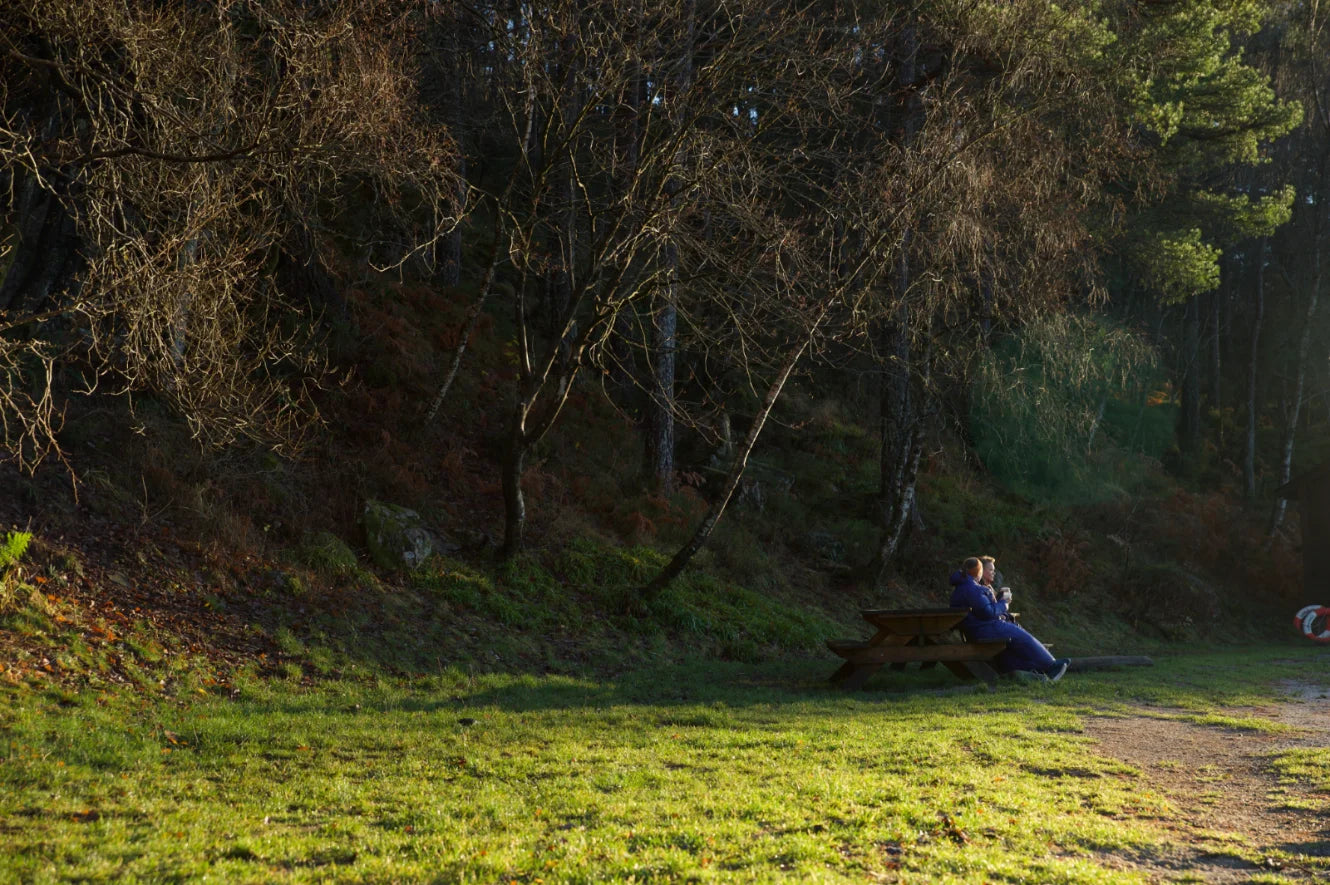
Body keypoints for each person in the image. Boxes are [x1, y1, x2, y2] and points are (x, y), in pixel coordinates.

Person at [949, 556, 1068, 682]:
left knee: (1012, 644)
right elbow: (987, 612)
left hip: (978, 628)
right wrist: (1004, 603)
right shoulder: (973, 589)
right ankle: (1051, 665)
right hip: (985, 628)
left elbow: (983, 610)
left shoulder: (963, 587)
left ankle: (1035, 671)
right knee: (1022, 637)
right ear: (978, 572)